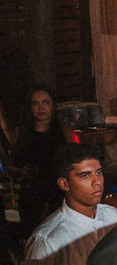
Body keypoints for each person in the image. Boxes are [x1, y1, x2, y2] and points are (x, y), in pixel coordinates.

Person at [6, 84, 76, 235]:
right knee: (34, 237)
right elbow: (11, 167)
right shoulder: (22, 133)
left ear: (53, 105)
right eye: (35, 103)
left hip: (58, 193)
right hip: (32, 196)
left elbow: (75, 163)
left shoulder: (65, 132)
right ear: (30, 107)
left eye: (45, 102)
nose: (41, 107)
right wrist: (21, 172)